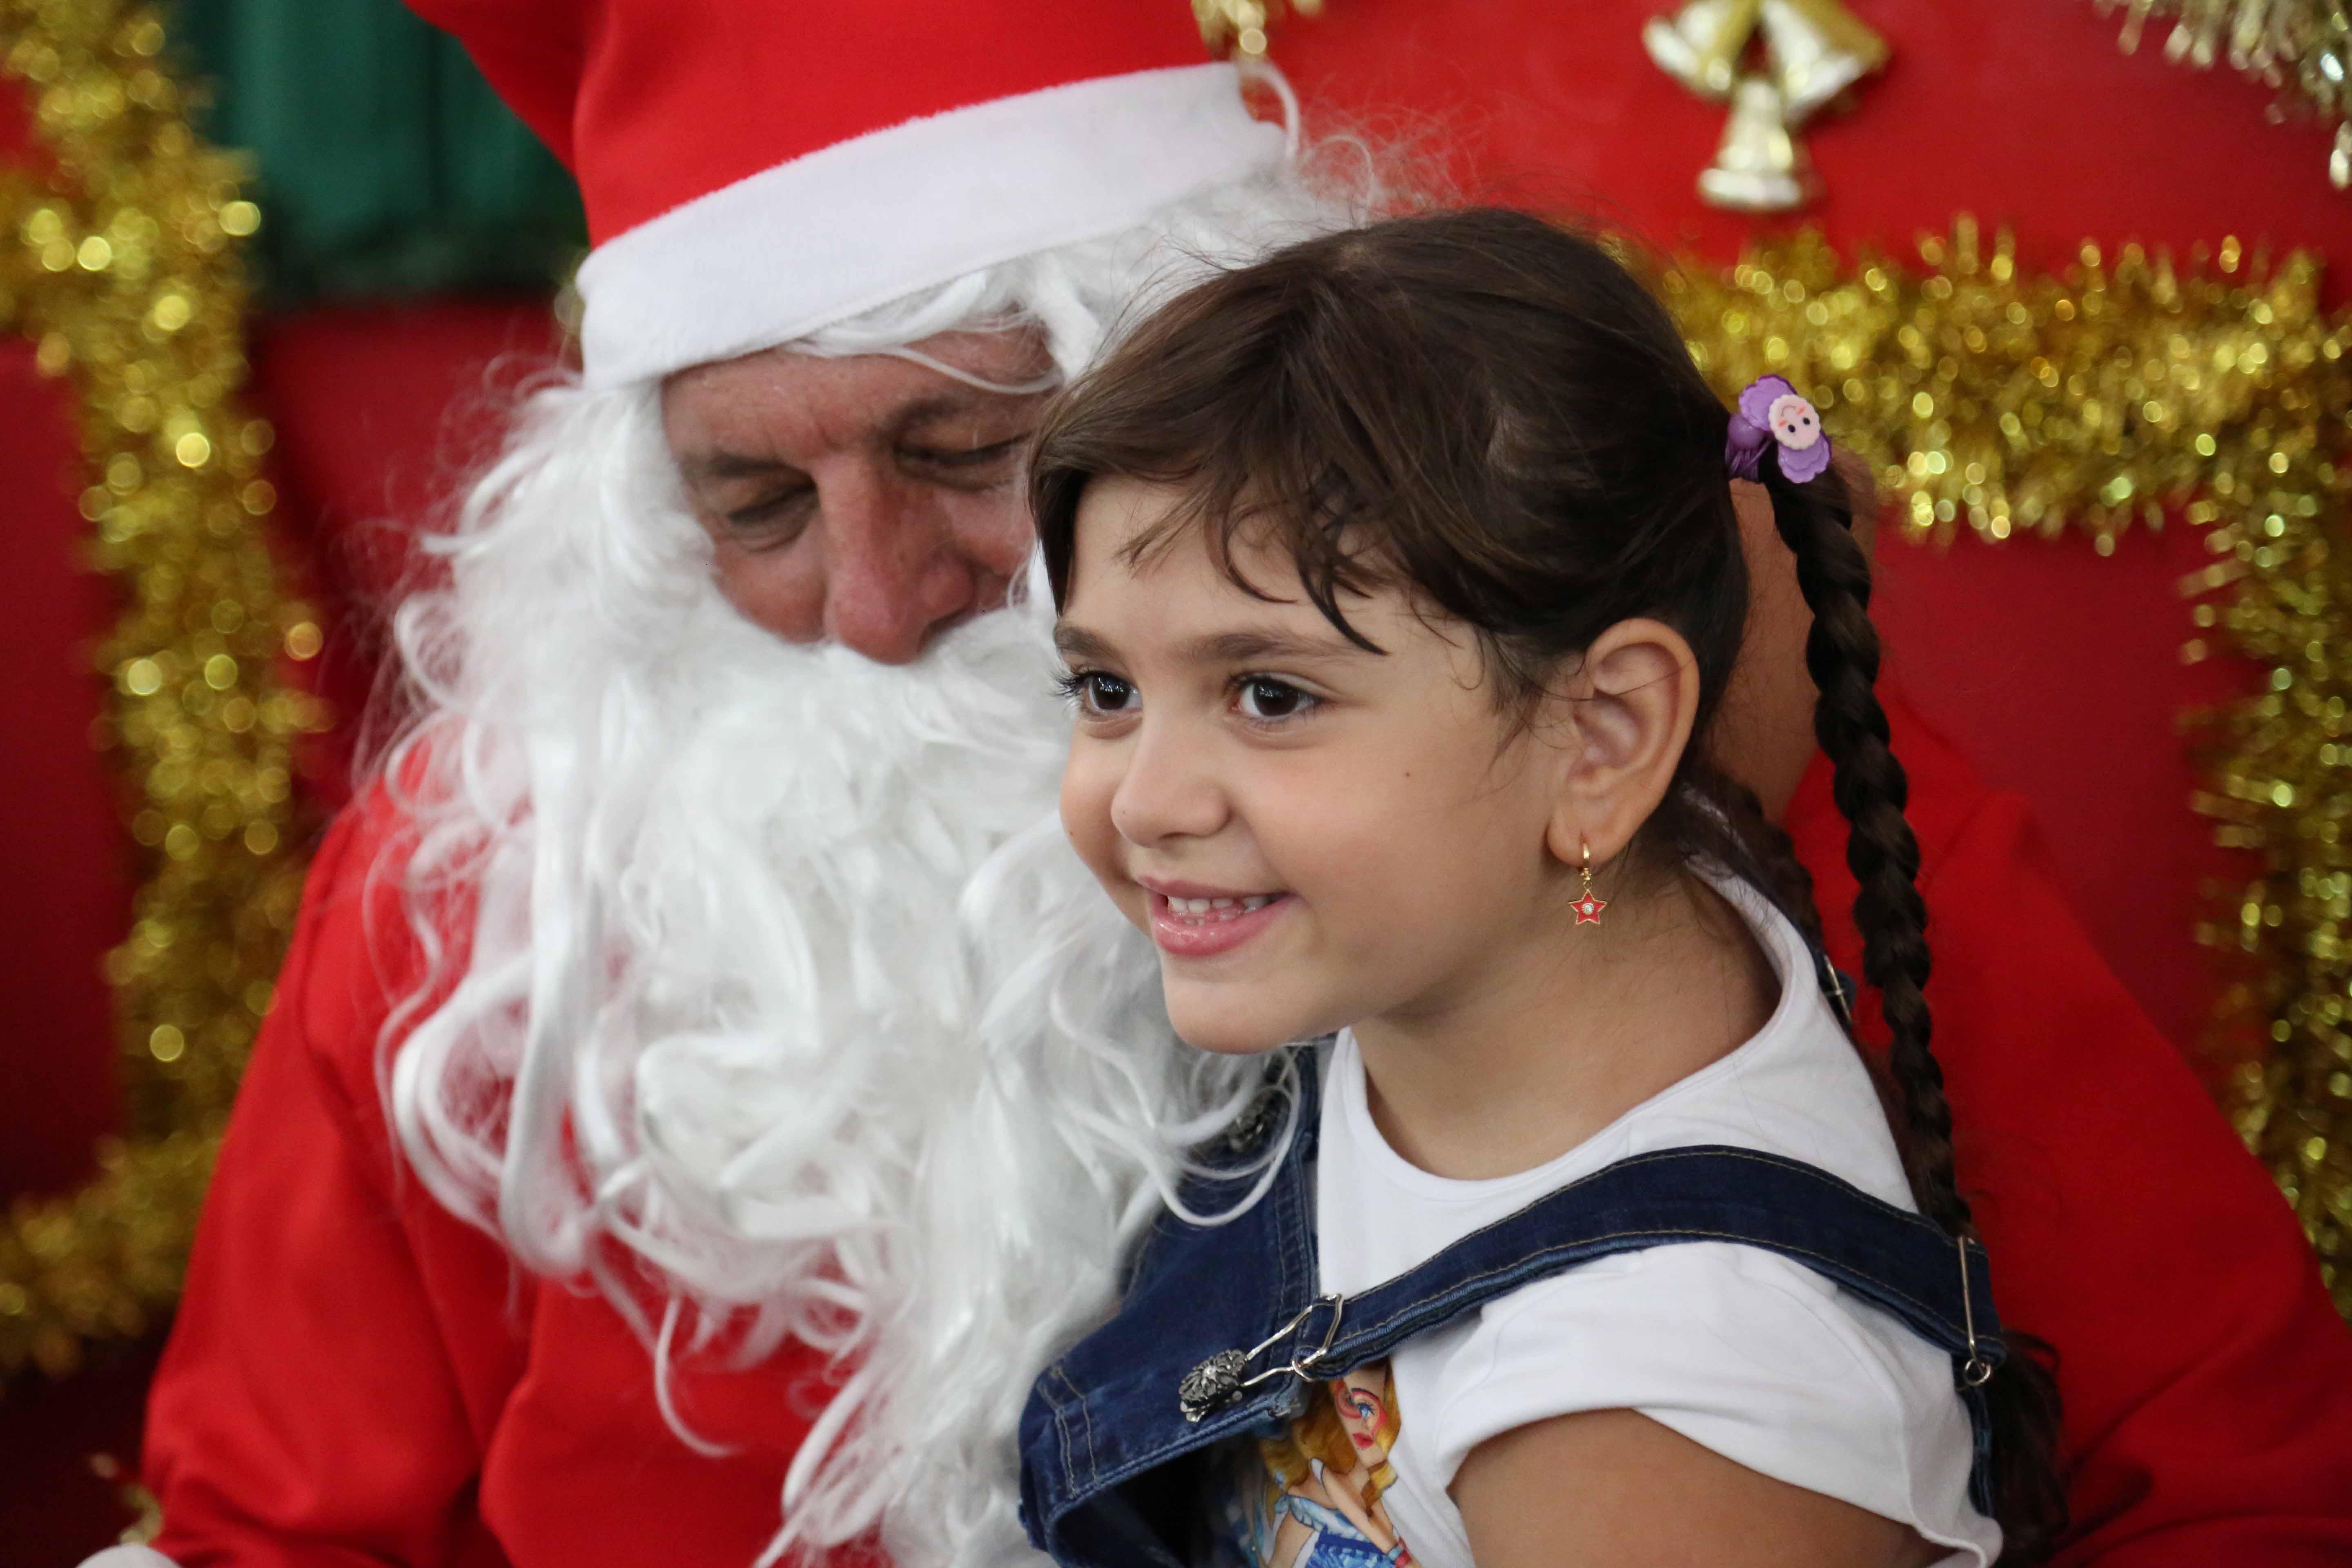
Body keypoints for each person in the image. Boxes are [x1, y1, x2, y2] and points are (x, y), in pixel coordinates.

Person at [91, 10, 2352, 1568]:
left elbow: (2230, 1476)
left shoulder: (1658, 782)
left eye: (971, 459)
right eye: (750, 507)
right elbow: (272, 1524)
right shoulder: (513, 859)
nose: (874, 605)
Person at [1020, 207, 2058, 1568]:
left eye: (1269, 693)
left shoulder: (1661, 1415)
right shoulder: (1531, 903)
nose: (1145, 800)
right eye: (1107, 688)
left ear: (1604, 740)